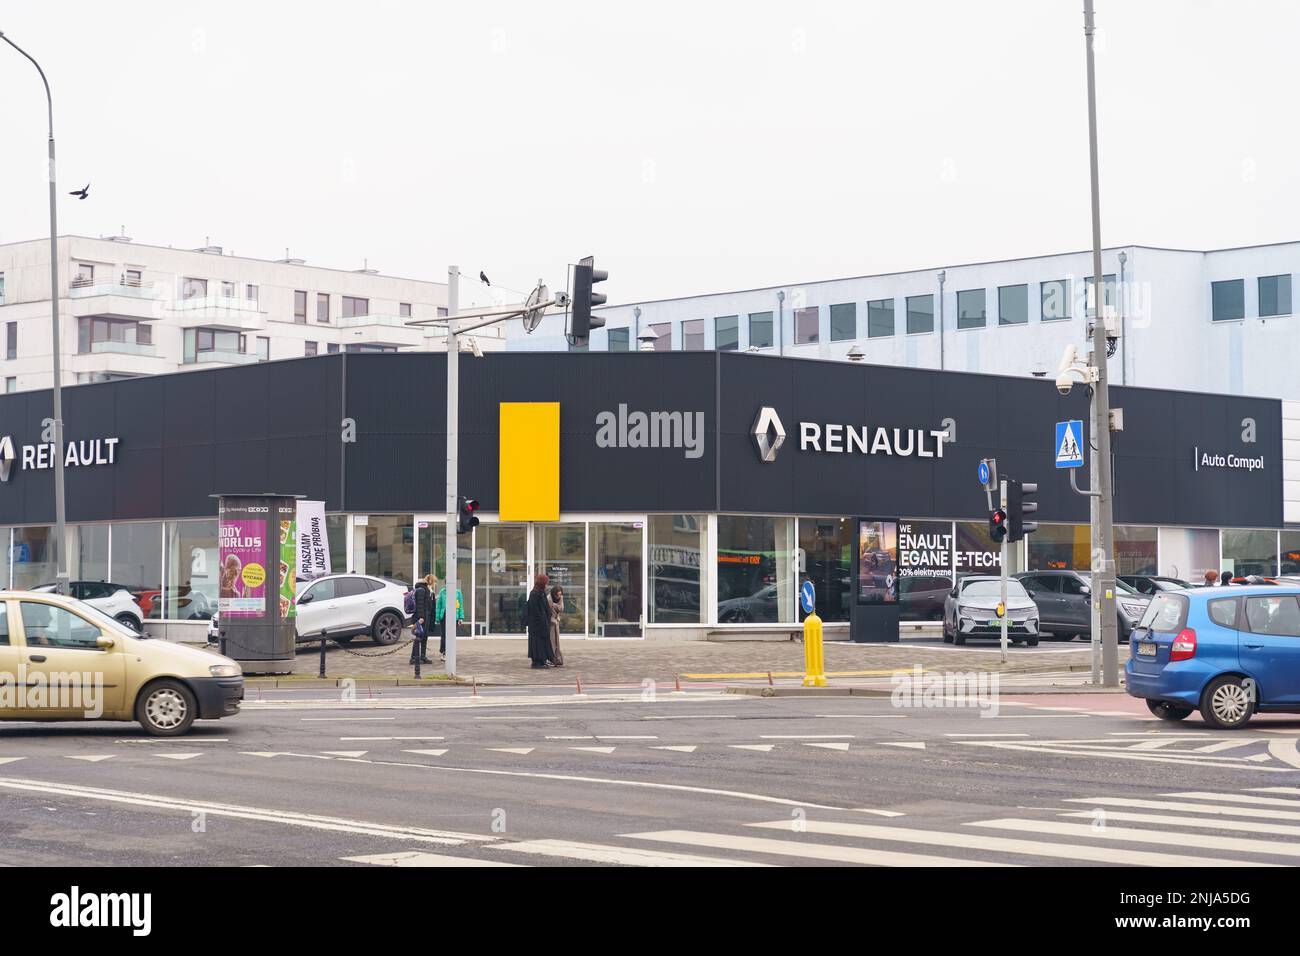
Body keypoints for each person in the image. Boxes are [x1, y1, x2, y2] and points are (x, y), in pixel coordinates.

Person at [526, 573, 552, 668]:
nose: (547, 584)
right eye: (545, 582)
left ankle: (542, 660)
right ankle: (537, 662)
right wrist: (543, 619)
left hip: (542, 624)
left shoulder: (541, 592)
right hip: (536, 625)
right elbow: (535, 610)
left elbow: (545, 607)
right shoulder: (534, 593)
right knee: (537, 643)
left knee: (542, 643)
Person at [436, 578, 465, 660]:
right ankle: (443, 652)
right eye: (446, 583)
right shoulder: (442, 592)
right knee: (444, 635)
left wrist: (461, 618)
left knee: (451, 635)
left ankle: (451, 653)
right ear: (445, 584)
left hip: (454, 616)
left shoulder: (458, 592)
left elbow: (460, 606)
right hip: (444, 615)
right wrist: (437, 618)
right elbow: (439, 605)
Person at [410, 574, 435, 665]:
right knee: (419, 637)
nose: (434, 583)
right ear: (430, 581)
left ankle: (423, 656)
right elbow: (420, 605)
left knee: (424, 637)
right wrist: (421, 617)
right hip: (422, 617)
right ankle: (413, 657)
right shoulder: (421, 589)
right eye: (433, 581)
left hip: (427, 616)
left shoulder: (428, 590)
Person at [547, 585, 566, 667]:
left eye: (560, 594)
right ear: (553, 593)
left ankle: (557, 659)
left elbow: (561, 608)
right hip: (550, 622)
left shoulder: (560, 598)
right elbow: (548, 611)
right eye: (557, 595)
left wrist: (555, 605)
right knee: (552, 642)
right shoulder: (549, 598)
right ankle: (551, 659)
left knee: (557, 642)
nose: (558, 596)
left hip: (556, 622)